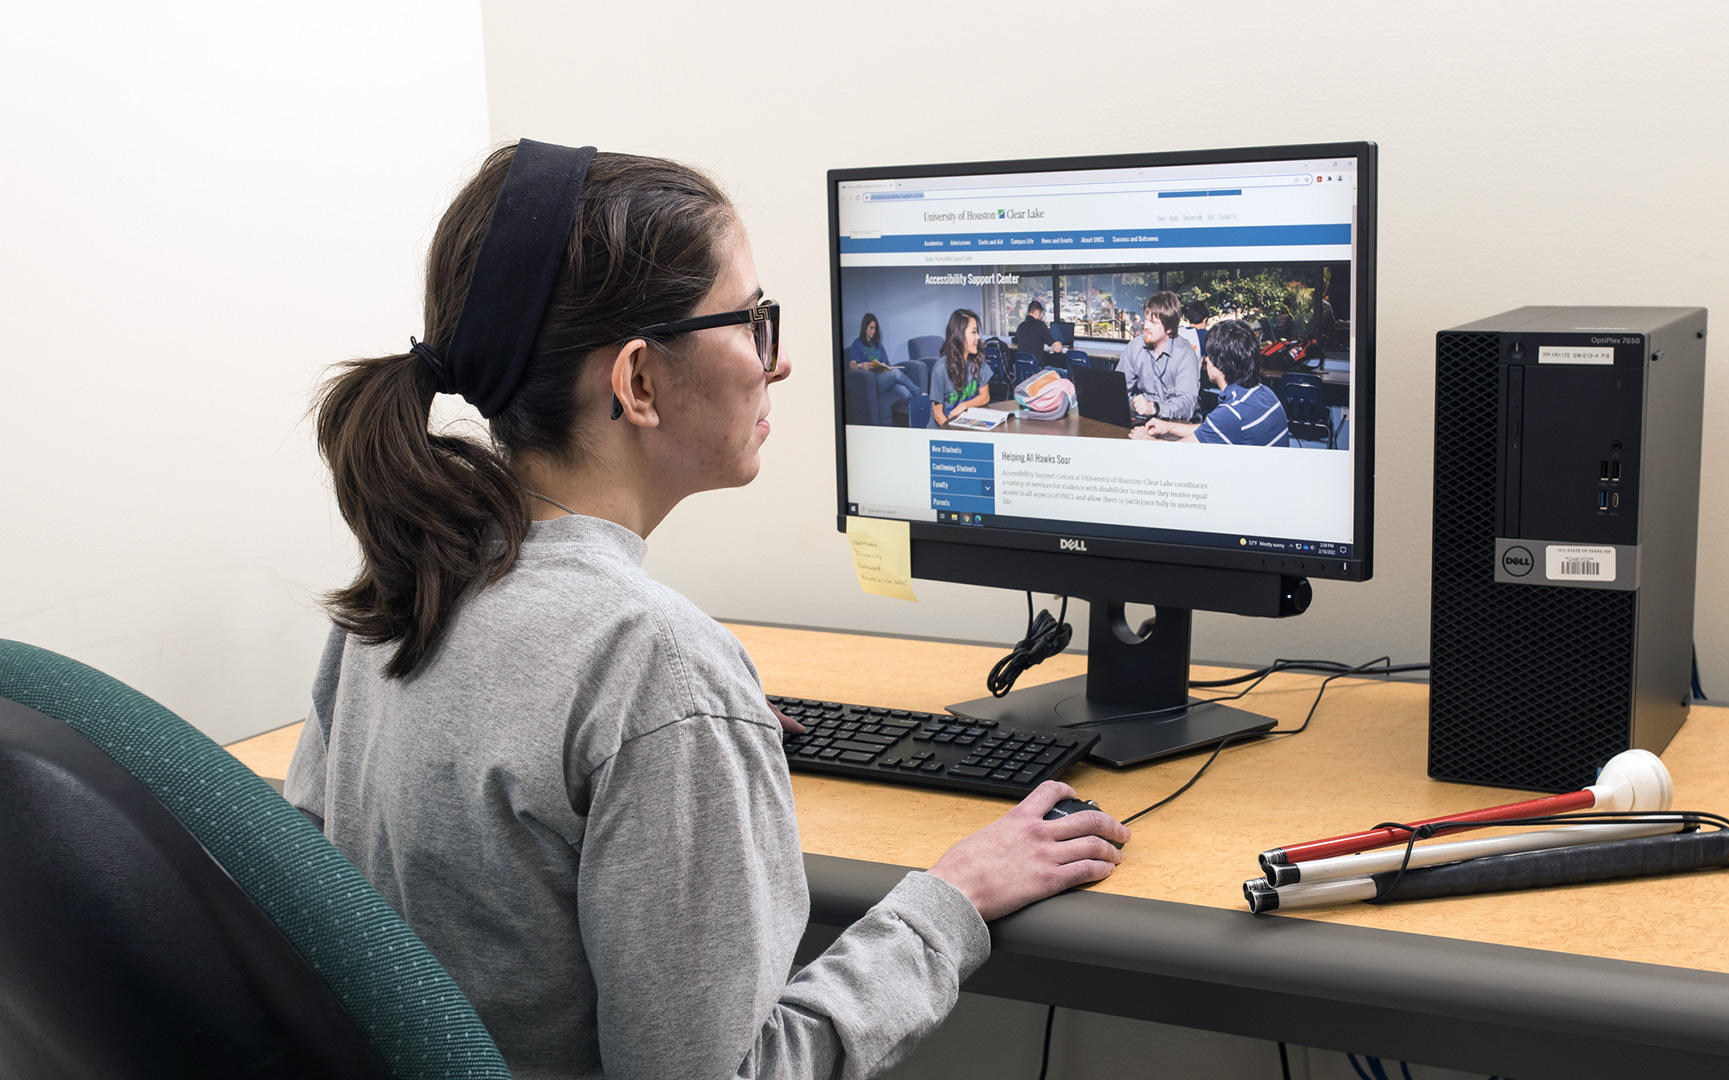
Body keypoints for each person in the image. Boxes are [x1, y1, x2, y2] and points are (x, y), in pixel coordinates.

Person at [288, 140, 1127, 1080]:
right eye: (754, 321)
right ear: (639, 381)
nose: (782, 363)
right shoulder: (651, 663)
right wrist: (949, 900)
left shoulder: (402, 589)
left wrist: (684, 746)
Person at [1132, 318, 1289, 446]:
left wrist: (1145, 439)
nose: (1206, 360)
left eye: (1209, 356)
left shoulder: (1230, 413)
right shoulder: (1265, 393)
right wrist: (1169, 427)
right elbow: (1213, 430)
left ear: (1220, 365)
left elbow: (1178, 454)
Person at [1116, 289, 1201, 421]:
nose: (1146, 327)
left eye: (1153, 322)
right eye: (1146, 319)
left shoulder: (1185, 354)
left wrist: (1155, 408)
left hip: (1178, 421)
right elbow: (1119, 390)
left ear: (1170, 328)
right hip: (1144, 417)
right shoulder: (1135, 347)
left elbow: (1187, 404)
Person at [929, 308, 990, 425]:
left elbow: (985, 397)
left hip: (965, 426)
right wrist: (954, 436)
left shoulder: (979, 362)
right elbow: (938, 415)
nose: (978, 337)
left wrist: (964, 405)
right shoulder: (941, 368)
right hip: (943, 431)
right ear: (959, 335)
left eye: (977, 332)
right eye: (973, 332)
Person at [847, 312, 916, 415]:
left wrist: (884, 367)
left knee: (905, 392)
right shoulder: (857, 344)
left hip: (884, 379)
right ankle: (919, 392)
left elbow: (884, 363)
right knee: (896, 372)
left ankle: (914, 418)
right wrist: (861, 365)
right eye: (871, 328)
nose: (873, 331)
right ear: (864, 327)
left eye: (875, 328)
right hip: (873, 383)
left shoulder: (878, 345)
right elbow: (851, 365)